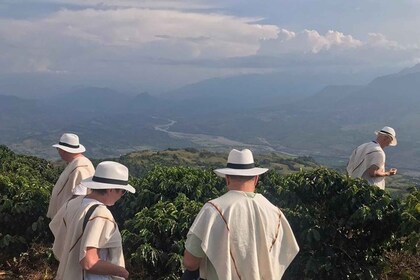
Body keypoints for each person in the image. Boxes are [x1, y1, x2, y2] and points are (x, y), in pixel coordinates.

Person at [182, 149, 299, 280]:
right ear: (256, 179)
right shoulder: (275, 213)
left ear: (227, 179)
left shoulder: (213, 210)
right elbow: (285, 254)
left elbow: (190, 263)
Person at [49, 161, 135, 280]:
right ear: (110, 189)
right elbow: (89, 262)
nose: (122, 195)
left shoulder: (72, 204)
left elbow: (59, 235)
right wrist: (122, 272)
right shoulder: (100, 214)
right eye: (122, 191)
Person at [47, 133, 95, 218]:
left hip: (69, 220)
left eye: (58, 149)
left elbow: (79, 196)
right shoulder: (76, 163)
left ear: (63, 150)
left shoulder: (80, 168)